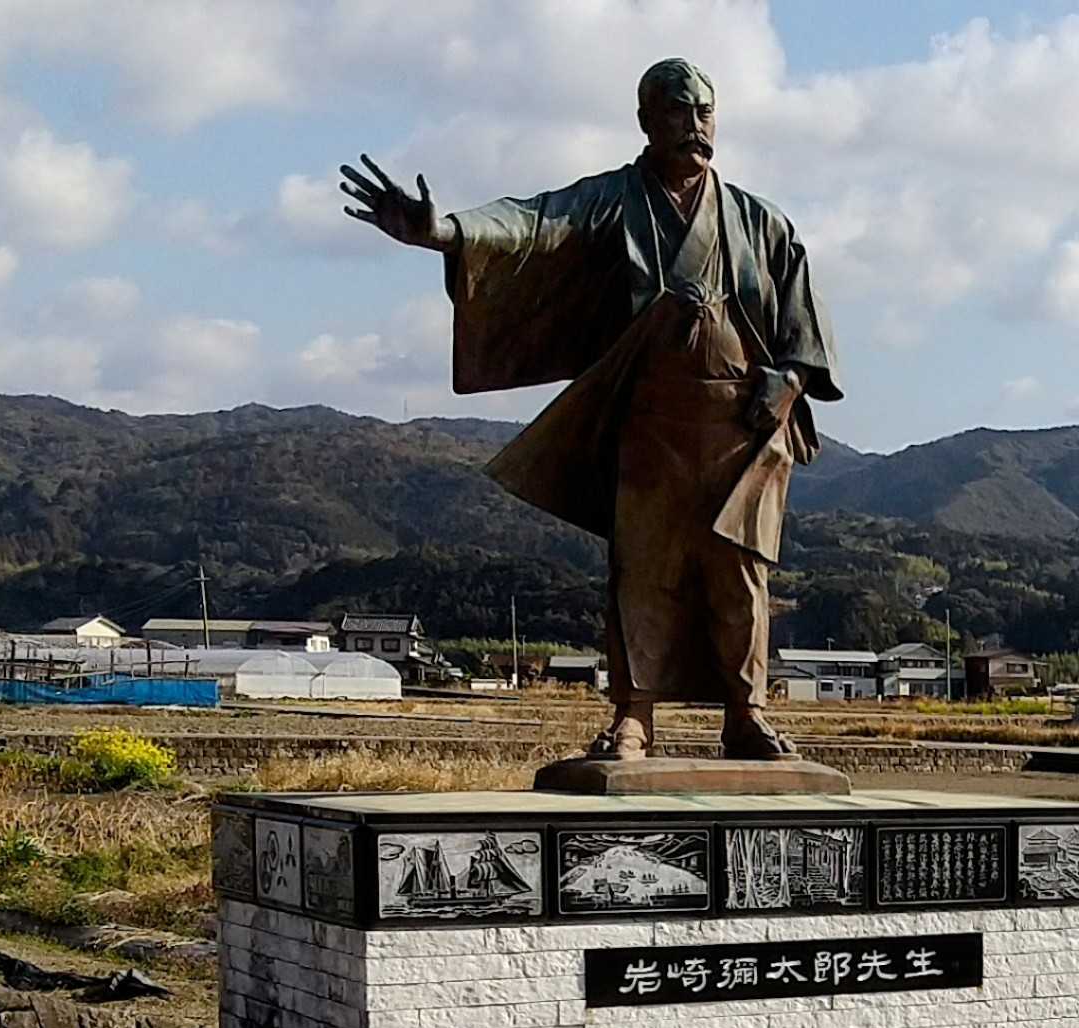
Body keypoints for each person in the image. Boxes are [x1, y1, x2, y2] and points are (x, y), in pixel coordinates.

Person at [340, 58, 840, 761]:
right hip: (650, 423)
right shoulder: (614, 201)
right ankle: (634, 715)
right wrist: (446, 230)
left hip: (744, 430)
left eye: (704, 111)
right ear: (645, 120)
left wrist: (788, 380)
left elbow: (803, 330)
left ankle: (746, 714)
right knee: (643, 570)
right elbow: (535, 221)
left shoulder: (761, 222)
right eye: (678, 110)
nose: (694, 125)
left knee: (740, 575)